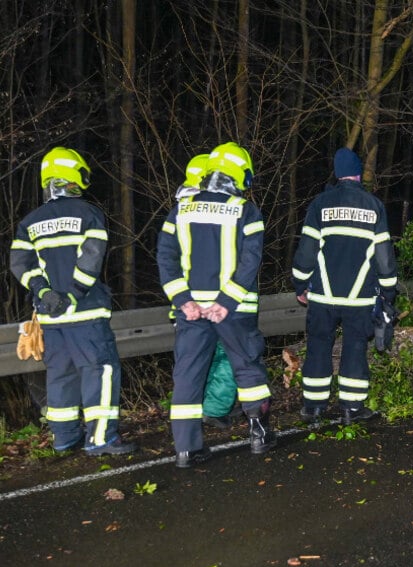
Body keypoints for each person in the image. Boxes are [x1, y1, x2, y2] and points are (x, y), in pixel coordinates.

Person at [9, 147, 136, 455]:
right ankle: (101, 438)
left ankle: (64, 437)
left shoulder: (30, 222)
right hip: (85, 314)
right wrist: (73, 295)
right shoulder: (88, 213)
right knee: (100, 371)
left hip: (52, 319)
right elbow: (91, 259)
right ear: (73, 176)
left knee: (61, 376)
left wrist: (42, 293)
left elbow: (20, 264)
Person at [157, 141, 274, 468]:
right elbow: (251, 262)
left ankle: (186, 451)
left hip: (191, 311)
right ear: (238, 174)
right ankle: (259, 436)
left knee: (188, 376)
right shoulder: (246, 210)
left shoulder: (179, 210)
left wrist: (183, 300)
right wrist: (225, 301)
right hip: (234, 310)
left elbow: (166, 260)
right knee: (247, 367)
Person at [291, 147, 399, 424]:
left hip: (323, 295)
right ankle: (352, 407)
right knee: (354, 348)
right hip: (360, 297)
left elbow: (306, 250)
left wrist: (300, 283)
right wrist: (388, 291)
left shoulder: (320, 204)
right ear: (359, 173)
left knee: (318, 346)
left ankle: (313, 407)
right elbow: (384, 256)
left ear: (337, 174)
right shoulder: (374, 206)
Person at [174, 153, 239, 430]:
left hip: (185, 303)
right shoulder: (221, 209)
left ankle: (191, 417)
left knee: (193, 361)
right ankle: (214, 408)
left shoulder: (182, 208)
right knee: (228, 356)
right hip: (219, 302)